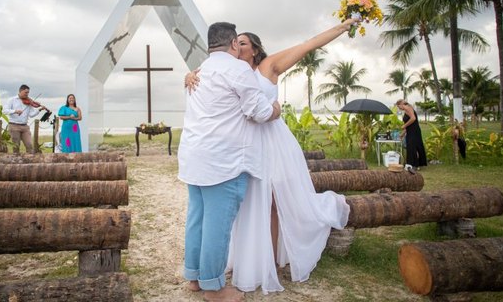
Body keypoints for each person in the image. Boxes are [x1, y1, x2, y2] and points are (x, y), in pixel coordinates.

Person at [186, 18, 357, 294]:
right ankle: (241, 261)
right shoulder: (224, 69)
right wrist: (188, 76)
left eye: (244, 42)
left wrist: (342, 27)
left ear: (254, 49)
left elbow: (308, 45)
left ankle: (272, 262)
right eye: (236, 41)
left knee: (273, 202)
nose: (238, 46)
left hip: (272, 144)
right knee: (242, 208)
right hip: (243, 146)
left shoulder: (268, 67)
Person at [178, 22, 281, 302]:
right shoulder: (238, 69)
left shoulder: (201, 69)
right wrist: (275, 110)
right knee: (217, 224)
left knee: (196, 218)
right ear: (234, 43)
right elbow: (257, 111)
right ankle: (213, 289)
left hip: (194, 156)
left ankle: (194, 277)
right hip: (223, 160)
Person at [2, 84, 48, 154]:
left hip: (25, 126)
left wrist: (39, 109)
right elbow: (4, 111)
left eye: (28, 93)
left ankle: (29, 161)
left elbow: (31, 115)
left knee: (29, 145)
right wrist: (15, 111)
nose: (27, 94)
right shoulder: (12, 100)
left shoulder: (29, 101)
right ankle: (16, 162)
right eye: (25, 92)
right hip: (14, 126)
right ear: (20, 91)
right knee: (16, 146)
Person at [396, 99, 427, 173]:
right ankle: (414, 164)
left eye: (398, 106)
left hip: (414, 131)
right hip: (410, 131)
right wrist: (403, 133)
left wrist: (404, 125)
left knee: (412, 147)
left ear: (401, 104)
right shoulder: (406, 110)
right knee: (411, 147)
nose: (399, 108)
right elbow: (410, 124)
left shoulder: (408, 108)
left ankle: (414, 165)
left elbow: (413, 118)